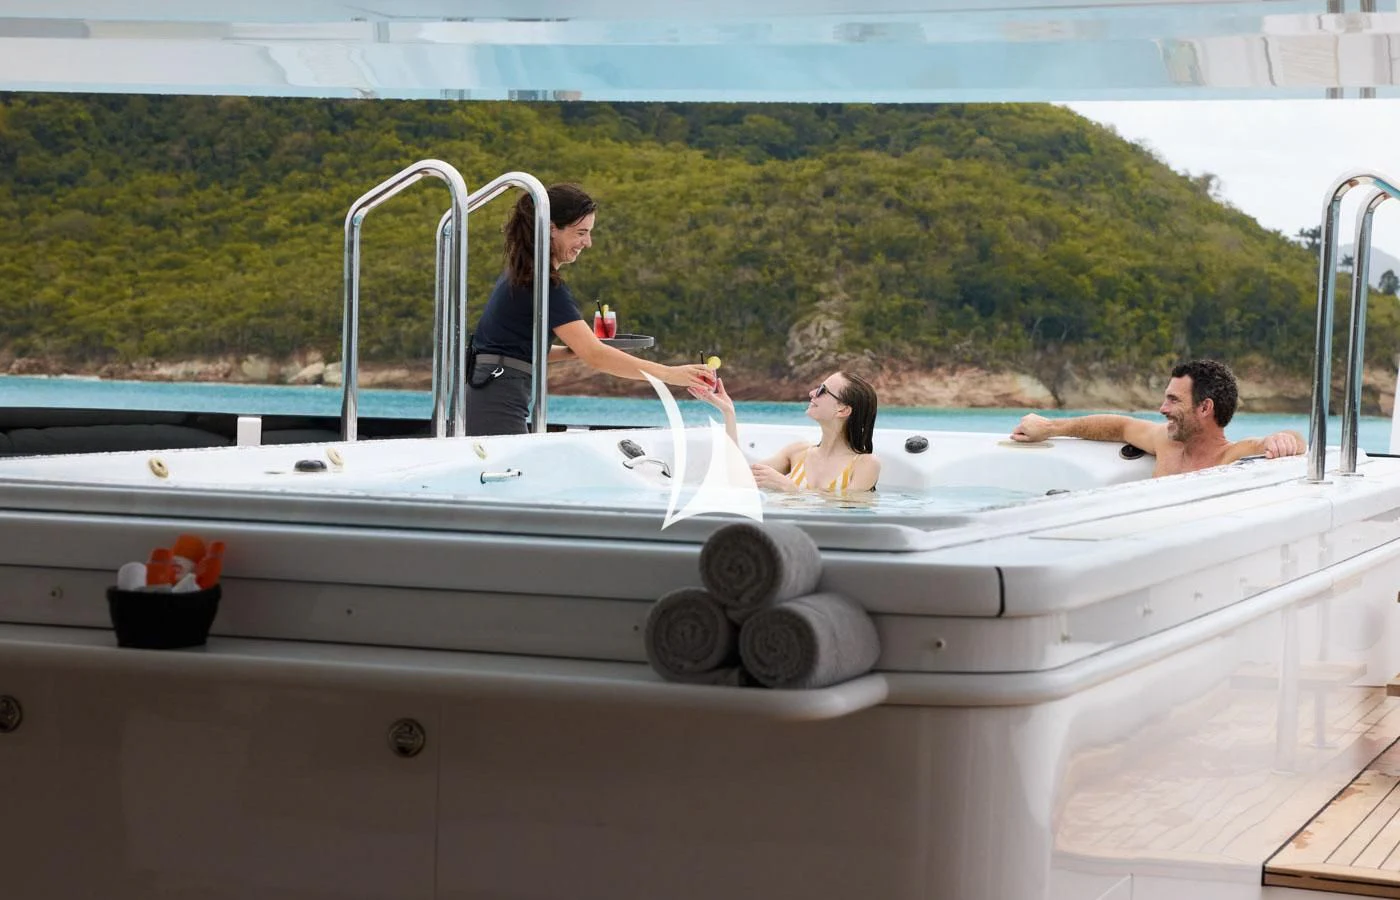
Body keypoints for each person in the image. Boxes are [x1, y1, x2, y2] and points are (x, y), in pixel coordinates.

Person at [465, 183, 716, 436]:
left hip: (488, 388)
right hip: (496, 396)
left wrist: (571, 352)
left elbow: (512, 348)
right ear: (552, 229)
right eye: (581, 233)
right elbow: (596, 356)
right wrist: (670, 374)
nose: (588, 243)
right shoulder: (543, 284)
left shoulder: (523, 275)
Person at [1009, 359, 1305, 477]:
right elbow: (1120, 426)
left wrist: (1284, 439)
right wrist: (1050, 427)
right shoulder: (1165, 442)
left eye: (1173, 400)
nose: (1162, 408)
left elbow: (1289, 442)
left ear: (1205, 408)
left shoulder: (1229, 457)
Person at [690, 371, 882, 493]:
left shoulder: (865, 464)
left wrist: (790, 488)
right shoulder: (797, 453)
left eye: (822, 390)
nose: (812, 393)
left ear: (842, 410)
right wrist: (728, 412)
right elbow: (736, 478)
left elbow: (849, 513)